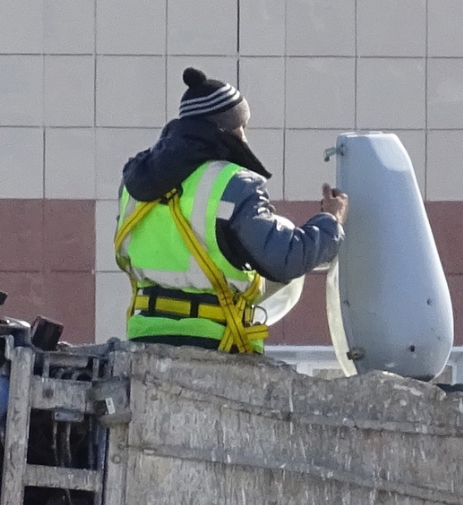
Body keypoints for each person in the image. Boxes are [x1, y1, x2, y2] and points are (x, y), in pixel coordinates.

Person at [114, 66, 349, 354]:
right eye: (243, 127)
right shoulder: (233, 184)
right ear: (226, 129)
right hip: (216, 342)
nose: (245, 138)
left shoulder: (133, 184)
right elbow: (285, 259)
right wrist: (330, 221)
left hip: (145, 336)